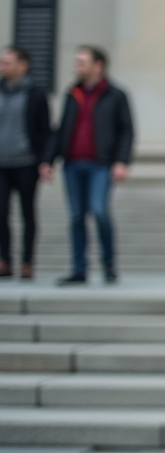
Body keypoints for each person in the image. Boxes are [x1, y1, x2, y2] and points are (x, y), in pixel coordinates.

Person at [41, 46, 134, 286]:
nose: (76, 66)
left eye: (82, 62)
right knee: (76, 216)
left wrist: (121, 162)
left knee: (99, 210)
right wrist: (48, 160)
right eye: (76, 62)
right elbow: (61, 130)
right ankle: (79, 269)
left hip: (101, 164)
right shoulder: (72, 93)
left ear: (98, 65)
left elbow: (126, 131)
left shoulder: (115, 95)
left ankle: (108, 264)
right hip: (72, 163)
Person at [0, 47, 51, 280]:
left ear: (23, 65)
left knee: (27, 213)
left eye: (7, 62)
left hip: (27, 162)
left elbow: (46, 131)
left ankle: (27, 260)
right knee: (1, 213)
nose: (3, 66)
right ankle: (4, 260)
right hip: (1, 162)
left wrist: (45, 161)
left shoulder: (36, 94)